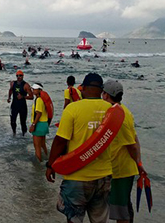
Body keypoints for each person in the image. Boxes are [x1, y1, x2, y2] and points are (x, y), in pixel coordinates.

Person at [45, 73, 114, 223]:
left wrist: (51, 165)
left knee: (74, 218)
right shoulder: (111, 110)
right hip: (104, 176)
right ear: (101, 90)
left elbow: (60, 141)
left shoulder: (73, 108)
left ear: (84, 88)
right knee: (100, 220)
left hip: (77, 176)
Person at [102, 80, 146, 223]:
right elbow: (135, 138)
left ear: (106, 95)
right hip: (118, 168)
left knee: (121, 212)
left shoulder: (120, 116)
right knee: (123, 207)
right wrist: (139, 162)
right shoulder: (122, 111)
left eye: (103, 93)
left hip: (122, 170)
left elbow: (131, 145)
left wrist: (138, 164)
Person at [7, 70, 33, 136]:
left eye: (20, 75)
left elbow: (31, 97)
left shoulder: (26, 85)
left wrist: (23, 97)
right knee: (12, 121)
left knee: (23, 122)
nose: (19, 77)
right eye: (17, 76)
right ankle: (14, 134)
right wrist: (9, 97)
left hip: (22, 106)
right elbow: (10, 90)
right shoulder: (13, 83)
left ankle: (24, 137)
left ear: (23, 76)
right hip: (14, 105)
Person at [29, 83, 49, 161]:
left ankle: (38, 165)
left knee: (37, 146)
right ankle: (47, 158)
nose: (33, 90)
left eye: (34, 89)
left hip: (39, 124)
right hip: (44, 124)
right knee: (42, 145)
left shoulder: (39, 100)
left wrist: (33, 124)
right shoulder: (41, 99)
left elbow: (39, 113)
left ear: (40, 90)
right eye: (33, 89)